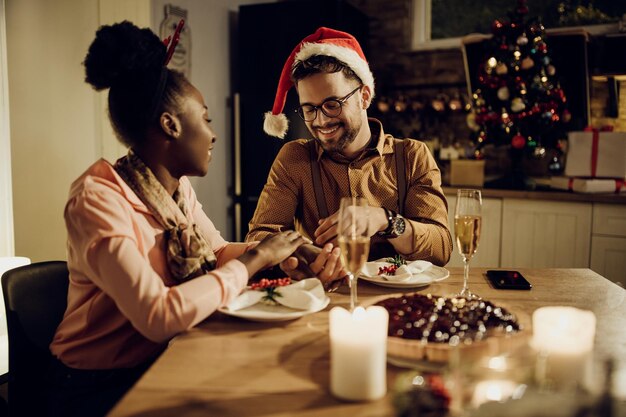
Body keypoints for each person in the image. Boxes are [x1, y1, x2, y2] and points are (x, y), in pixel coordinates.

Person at [47, 21, 308, 417]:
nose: (213, 134)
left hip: (161, 359)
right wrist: (254, 260)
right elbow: (158, 316)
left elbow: (217, 252)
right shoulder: (97, 200)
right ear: (170, 125)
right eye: (205, 119)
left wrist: (278, 249)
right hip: (94, 389)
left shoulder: (175, 190)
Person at [246, 27, 452, 273]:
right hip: (327, 300)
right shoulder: (295, 158)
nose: (321, 121)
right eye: (309, 109)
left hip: (401, 300)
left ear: (364, 96)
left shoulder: (412, 155)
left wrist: (385, 221)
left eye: (332, 104)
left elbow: (441, 248)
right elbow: (260, 237)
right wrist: (304, 253)